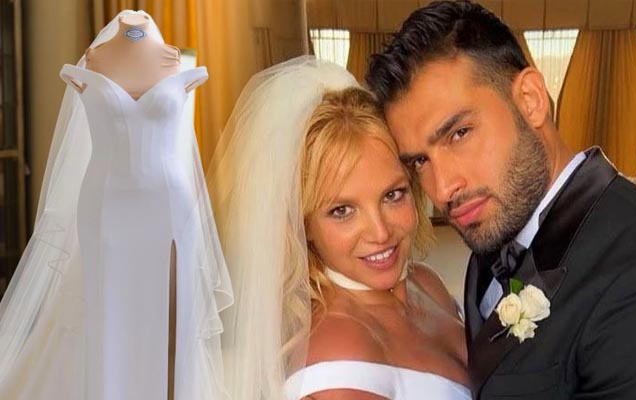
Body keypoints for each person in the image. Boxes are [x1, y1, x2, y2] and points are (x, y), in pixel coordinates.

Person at [365, 1, 636, 399]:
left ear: (530, 99)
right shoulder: (495, 235)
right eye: (420, 161)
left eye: (459, 134)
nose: (443, 189)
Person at [207, 57, 471, 400]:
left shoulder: (426, 283)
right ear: (304, 224)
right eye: (342, 211)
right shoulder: (337, 363)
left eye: (393, 195)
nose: (379, 232)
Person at [0, 11, 232, 400]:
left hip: (169, 208)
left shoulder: (172, 60)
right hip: (106, 208)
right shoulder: (95, 60)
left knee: (172, 320)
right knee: (108, 320)